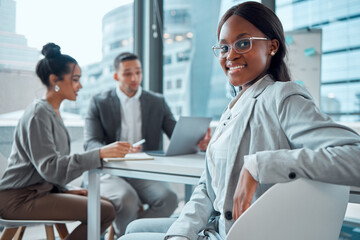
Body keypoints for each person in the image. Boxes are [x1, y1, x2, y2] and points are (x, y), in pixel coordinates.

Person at [118, 2, 360, 240]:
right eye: (224, 48)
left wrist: (259, 165)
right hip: (218, 226)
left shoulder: (282, 97)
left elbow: (354, 156)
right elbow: (206, 187)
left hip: (245, 231)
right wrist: (182, 234)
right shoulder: (234, 106)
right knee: (134, 228)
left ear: (272, 46)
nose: (231, 55)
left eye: (243, 43)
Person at [0, 43, 132, 240]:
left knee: (104, 204)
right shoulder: (39, 114)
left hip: (39, 192)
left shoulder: (52, 113)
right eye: (75, 79)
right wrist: (100, 153)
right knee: (104, 211)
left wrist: (67, 189)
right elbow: (50, 168)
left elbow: (46, 169)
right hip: (19, 199)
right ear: (55, 80)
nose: (80, 85)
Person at [83, 52, 179, 237]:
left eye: (138, 72)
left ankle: (130, 235)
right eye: (127, 73)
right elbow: (90, 143)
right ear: (116, 76)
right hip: (108, 171)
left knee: (169, 199)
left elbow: (175, 133)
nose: (135, 78)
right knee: (128, 200)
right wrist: (113, 150)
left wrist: (198, 140)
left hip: (141, 171)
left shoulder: (157, 101)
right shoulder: (99, 101)